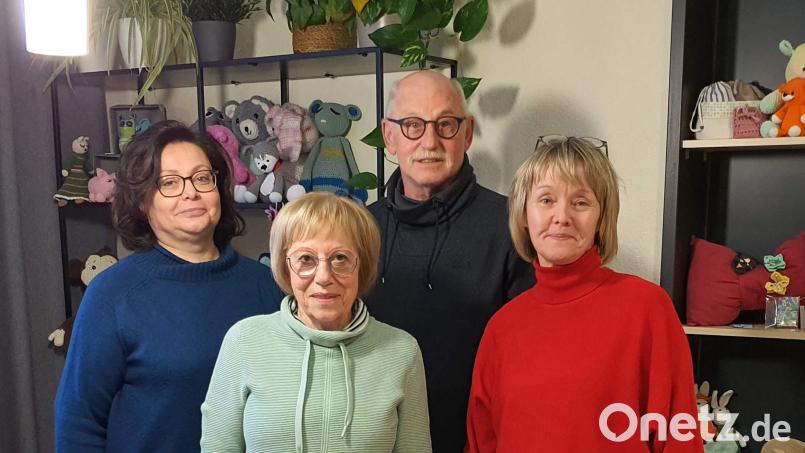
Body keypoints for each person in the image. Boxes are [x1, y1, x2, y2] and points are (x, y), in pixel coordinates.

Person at [54, 121, 283, 452]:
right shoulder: (112, 295)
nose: (191, 192)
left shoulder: (267, 286)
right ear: (142, 203)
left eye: (203, 178)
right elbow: (78, 422)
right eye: (169, 183)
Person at [466, 136, 702, 452]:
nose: (562, 216)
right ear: (524, 215)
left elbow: (679, 437)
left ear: (602, 219)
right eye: (546, 200)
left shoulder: (647, 308)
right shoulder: (501, 328)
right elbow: (483, 443)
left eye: (580, 202)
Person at [366, 70, 535, 451]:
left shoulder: (512, 227)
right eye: (412, 125)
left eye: (445, 124)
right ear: (389, 136)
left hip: (475, 441)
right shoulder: (360, 228)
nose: (429, 141)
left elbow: (529, 363)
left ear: (467, 133)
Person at [200, 192, 432, 453]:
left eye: (340, 258)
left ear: (363, 266)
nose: (323, 276)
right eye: (306, 259)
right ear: (285, 266)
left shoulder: (401, 351)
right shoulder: (244, 341)